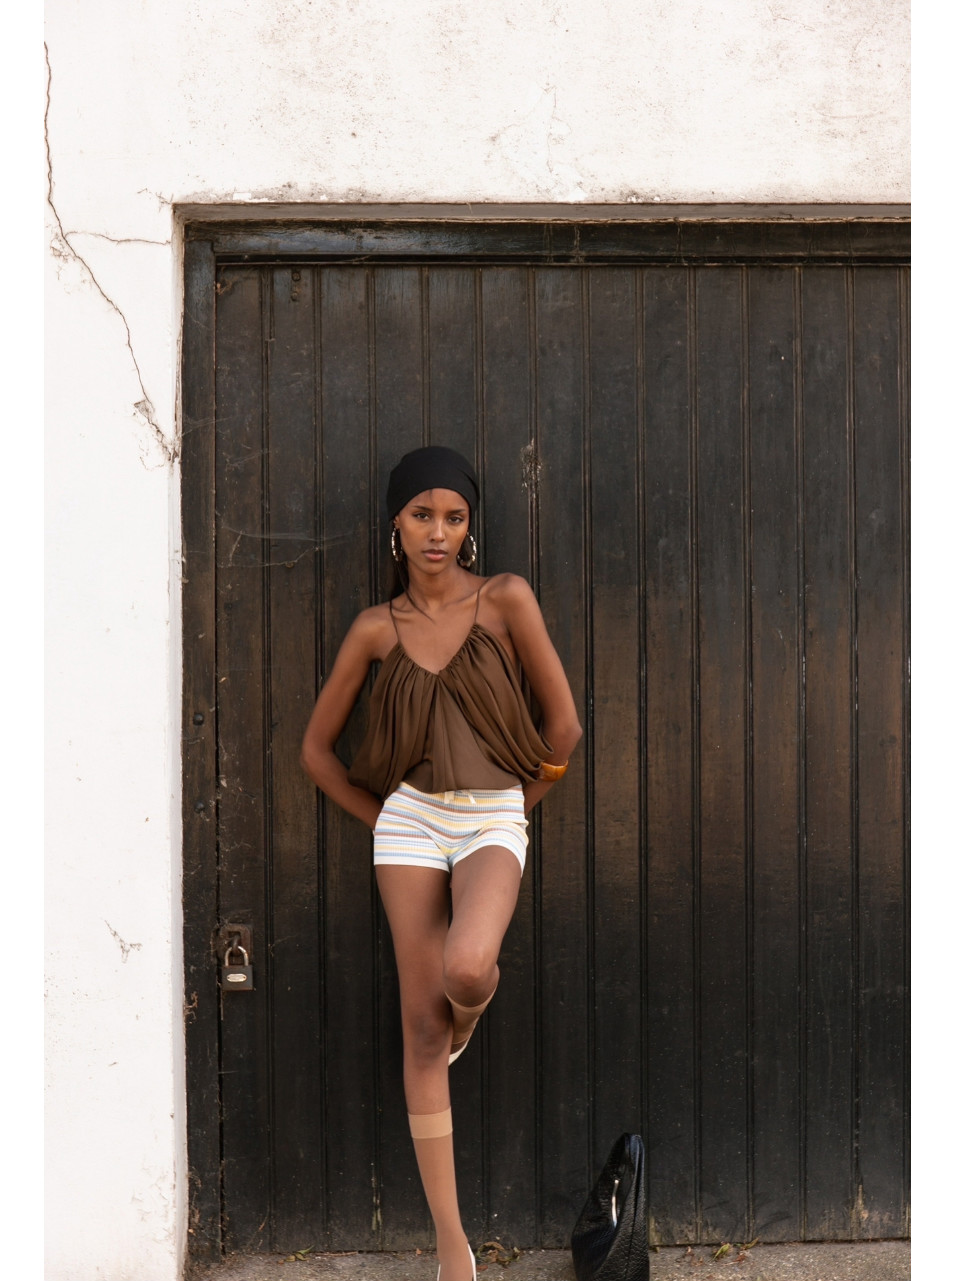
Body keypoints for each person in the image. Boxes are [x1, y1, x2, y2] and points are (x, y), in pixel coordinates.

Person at [300, 445, 582, 1281]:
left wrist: (517, 805)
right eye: (422, 514)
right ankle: (452, 1249)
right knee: (421, 1030)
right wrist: (385, 813)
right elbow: (317, 751)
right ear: (396, 523)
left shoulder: (505, 599)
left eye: (453, 517)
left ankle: (469, 1007)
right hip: (409, 825)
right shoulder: (374, 628)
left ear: (468, 527)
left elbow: (564, 726)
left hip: (493, 813)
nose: (438, 532)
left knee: (466, 967)